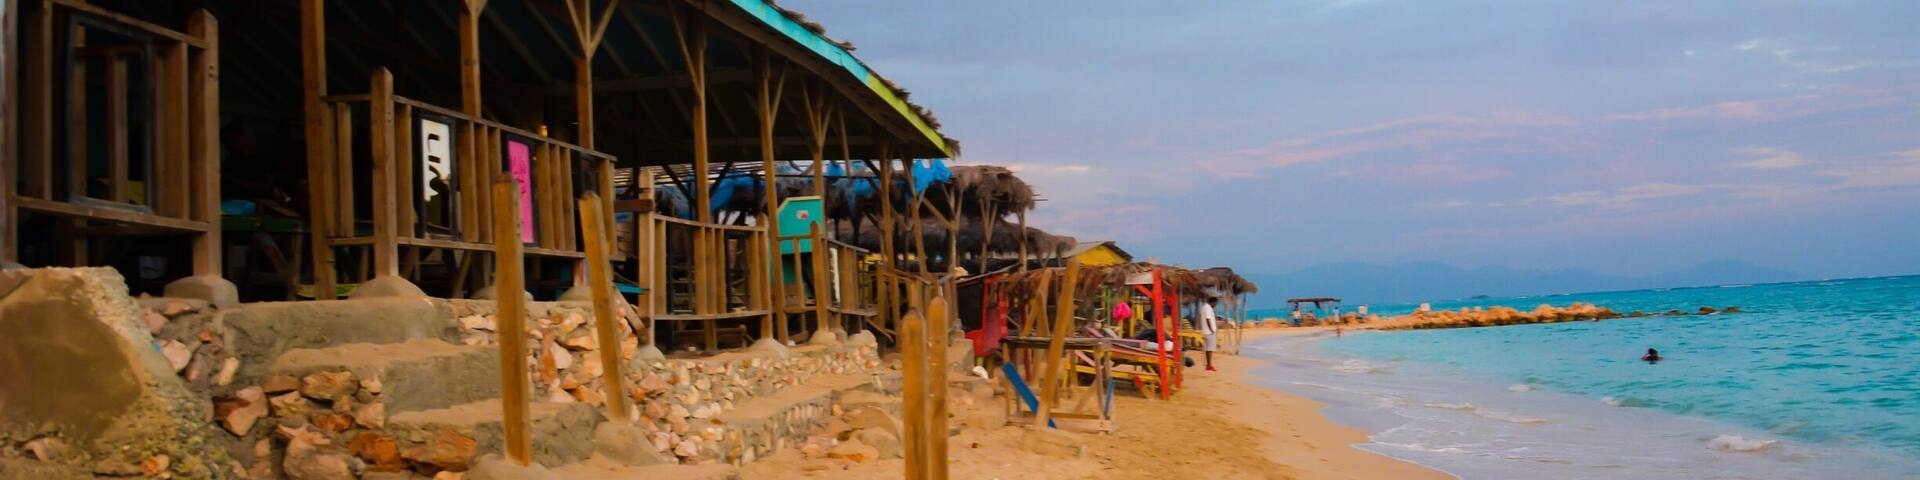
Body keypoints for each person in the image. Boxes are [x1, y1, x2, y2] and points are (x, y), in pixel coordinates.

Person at [1200, 297, 1220, 372]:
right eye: (1215, 303)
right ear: (1213, 302)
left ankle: (1208, 365)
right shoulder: (1207, 308)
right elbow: (1208, 319)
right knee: (1210, 349)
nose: (1215, 305)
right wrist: (1211, 330)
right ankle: (1209, 366)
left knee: (1209, 349)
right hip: (1209, 332)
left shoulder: (1205, 307)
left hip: (1207, 331)